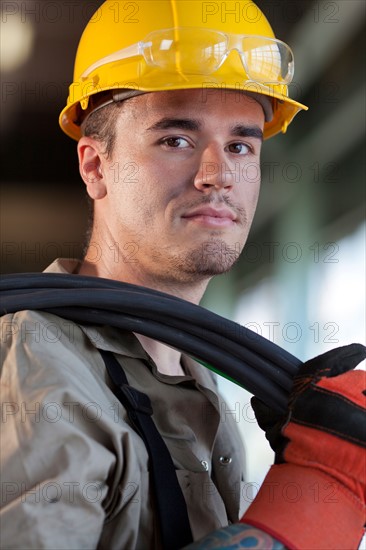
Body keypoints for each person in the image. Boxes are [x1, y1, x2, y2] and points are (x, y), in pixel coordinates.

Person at [1, 1, 365, 549]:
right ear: (95, 167)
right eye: (176, 140)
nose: (217, 175)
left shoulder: (195, 377)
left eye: (241, 144)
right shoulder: (40, 365)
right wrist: (318, 500)